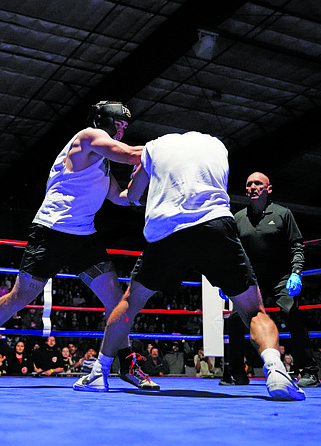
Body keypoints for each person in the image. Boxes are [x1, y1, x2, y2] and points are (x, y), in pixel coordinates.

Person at [74, 130, 305, 400]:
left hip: (167, 232)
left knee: (129, 303)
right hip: (216, 227)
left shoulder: (154, 147)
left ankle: (99, 373)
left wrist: (130, 194)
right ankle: (276, 371)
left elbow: (135, 190)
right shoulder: (218, 146)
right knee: (253, 311)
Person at [0, 101, 157, 390]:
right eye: (119, 124)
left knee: (116, 298)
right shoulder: (87, 136)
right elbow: (129, 155)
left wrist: (145, 179)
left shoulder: (103, 163)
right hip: (51, 231)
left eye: (126, 127)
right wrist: (165, 153)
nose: (122, 130)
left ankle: (127, 362)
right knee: (21, 296)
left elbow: (121, 197)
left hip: (84, 237)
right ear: (103, 120)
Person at [220, 172, 320, 388]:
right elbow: (232, 251)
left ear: (268, 189)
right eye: (249, 184)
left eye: (258, 183)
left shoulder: (283, 213)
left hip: (281, 276)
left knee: (291, 312)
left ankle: (309, 371)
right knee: (236, 318)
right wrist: (226, 279)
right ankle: (236, 372)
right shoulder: (238, 217)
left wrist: (296, 272)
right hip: (251, 278)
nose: (253, 187)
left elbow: (297, 245)